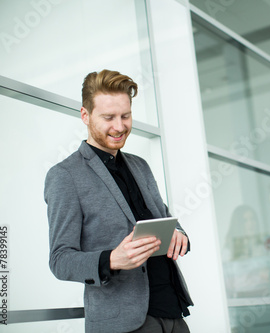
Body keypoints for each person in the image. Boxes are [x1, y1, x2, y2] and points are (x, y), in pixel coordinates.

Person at [45, 70, 193, 333]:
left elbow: (166, 219)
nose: (119, 126)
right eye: (108, 117)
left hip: (173, 313)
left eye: (125, 116)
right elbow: (60, 260)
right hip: (123, 324)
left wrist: (179, 234)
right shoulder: (65, 176)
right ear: (85, 115)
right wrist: (111, 259)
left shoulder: (140, 166)